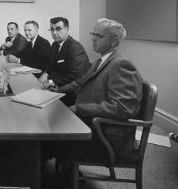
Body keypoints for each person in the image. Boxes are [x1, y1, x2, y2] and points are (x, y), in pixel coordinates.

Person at [52, 18, 143, 175]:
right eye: (93, 33)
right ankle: (63, 173)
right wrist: (57, 91)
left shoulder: (121, 64)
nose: (93, 38)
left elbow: (122, 108)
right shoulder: (101, 61)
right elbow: (80, 83)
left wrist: (79, 109)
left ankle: (59, 176)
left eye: (99, 36)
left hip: (106, 135)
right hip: (92, 125)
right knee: (49, 127)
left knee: (48, 137)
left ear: (114, 41)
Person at [39, 17, 91, 105]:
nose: (54, 33)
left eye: (58, 29)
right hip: (57, 87)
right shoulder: (55, 44)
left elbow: (76, 76)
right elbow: (50, 64)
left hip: (71, 93)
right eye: (52, 29)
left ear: (67, 30)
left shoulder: (75, 47)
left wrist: (52, 82)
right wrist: (46, 73)